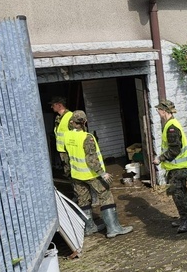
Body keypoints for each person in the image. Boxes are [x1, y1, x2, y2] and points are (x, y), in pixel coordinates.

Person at [64, 110, 133, 238]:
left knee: (83, 200)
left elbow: (67, 157)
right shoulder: (87, 137)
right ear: (85, 122)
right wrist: (103, 173)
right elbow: (91, 159)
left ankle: (89, 227)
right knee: (105, 196)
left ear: (72, 122)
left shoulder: (67, 136)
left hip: (76, 175)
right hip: (91, 174)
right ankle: (113, 228)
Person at [153, 99, 187, 234]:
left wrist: (160, 159)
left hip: (179, 168)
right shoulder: (171, 124)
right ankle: (185, 217)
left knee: (179, 195)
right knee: (181, 193)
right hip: (177, 168)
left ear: (164, 111)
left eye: (158, 110)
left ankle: (185, 220)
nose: (158, 113)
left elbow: (174, 150)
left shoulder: (171, 128)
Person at [50, 96, 73, 178]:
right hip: (63, 150)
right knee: (68, 171)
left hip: (69, 150)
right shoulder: (58, 118)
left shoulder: (70, 116)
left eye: (53, 105)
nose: (51, 107)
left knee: (72, 172)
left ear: (59, 105)